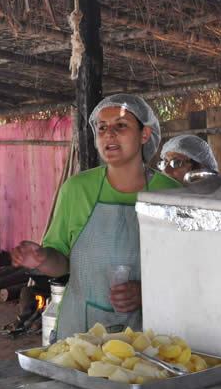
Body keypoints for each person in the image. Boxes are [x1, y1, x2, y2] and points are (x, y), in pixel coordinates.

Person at [11, 94, 180, 338]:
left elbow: (187, 271)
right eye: (102, 128)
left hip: (151, 334)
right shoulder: (77, 189)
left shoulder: (172, 194)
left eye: (121, 126)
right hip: (81, 332)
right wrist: (41, 258)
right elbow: (61, 264)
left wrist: (147, 292)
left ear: (144, 134)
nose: (109, 134)